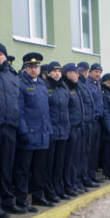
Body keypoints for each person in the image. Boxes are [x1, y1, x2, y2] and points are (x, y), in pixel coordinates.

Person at [0, 43, 24, 218]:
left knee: (7, 167)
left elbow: (19, 102)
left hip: (10, 127)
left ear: (6, 57)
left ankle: (7, 201)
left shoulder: (13, 76)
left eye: (1, 54)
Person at [12, 52, 52, 211]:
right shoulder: (21, 84)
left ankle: (38, 195)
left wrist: (48, 129)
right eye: (30, 67)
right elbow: (19, 111)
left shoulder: (42, 84)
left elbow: (45, 110)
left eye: (36, 67)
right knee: (23, 169)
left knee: (39, 168)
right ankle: (22, 200)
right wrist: (24, 131)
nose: (34, 69)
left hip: (42, 134)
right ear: (26, 68)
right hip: (28, 134)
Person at [44, 62, 70, 202]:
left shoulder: (63, 87)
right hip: (51, 131)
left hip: (63, 130)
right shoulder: (45, 87)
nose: (57, 73)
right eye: (54, 71)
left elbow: (67, 110)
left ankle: (59, 189)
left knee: (59, 163)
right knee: (49, 164)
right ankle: (49, 191)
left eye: (59, 71)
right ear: (48, 73)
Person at [62, 63, 84, 197]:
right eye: (76, 73)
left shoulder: (75, 87)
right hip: (70, 128)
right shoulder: (65, 87)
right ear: (69, 73)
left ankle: (74, 183)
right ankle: (68, 186)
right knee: (68, 160)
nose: (78, 75)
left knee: (75, 159)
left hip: (77, 127)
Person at [84, 63, 104, 184]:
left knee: (95, 150)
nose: (98, 74)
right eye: (96, 72)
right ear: (90, 72)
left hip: (98, 121)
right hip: (91, 121)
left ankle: (92, 174)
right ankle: (86, 176)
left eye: (99, 72)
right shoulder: (88, 85)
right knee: (88, 150)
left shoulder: (98, 85)